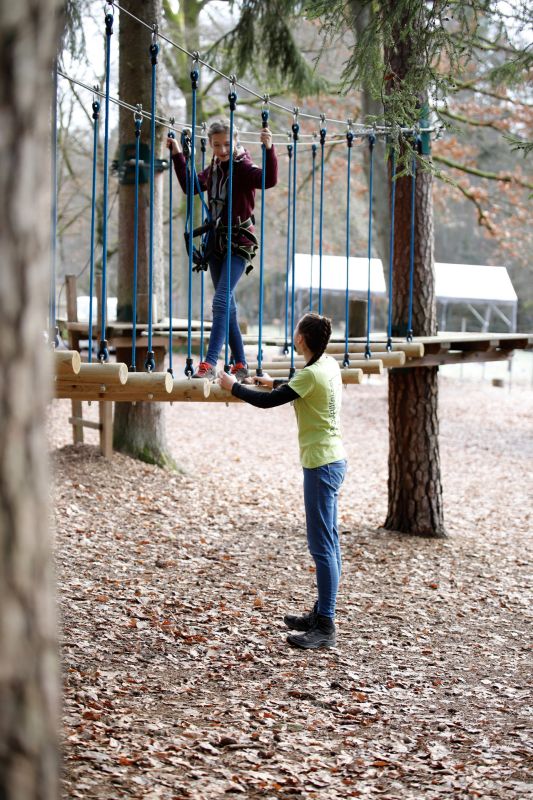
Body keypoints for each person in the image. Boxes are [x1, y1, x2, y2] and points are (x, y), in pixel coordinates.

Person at [219, 313, 347, 650]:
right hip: (334, 460)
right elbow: (296, 388)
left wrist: (234, 387)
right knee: (329, 543)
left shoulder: (311, 374)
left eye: (296, 332)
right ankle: (321, 612)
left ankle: (326, 625)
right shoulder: (328, 365)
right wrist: (271, 381)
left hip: (320, 464)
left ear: (302, 339)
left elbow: (268, 403)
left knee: (322, 547)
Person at [168, 120, 277, 380]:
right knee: (227, 304)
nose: (223, 149)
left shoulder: (243, 167)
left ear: (236, 141)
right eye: (217, 145)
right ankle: (240, 363)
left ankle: (210, 363)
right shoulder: (215, 167)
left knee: (220, 300)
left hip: (239, 242)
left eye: (227, 143)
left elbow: (268, 180)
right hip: (216, 243)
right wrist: (177, 155)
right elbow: (191, 186)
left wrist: (269, 149)